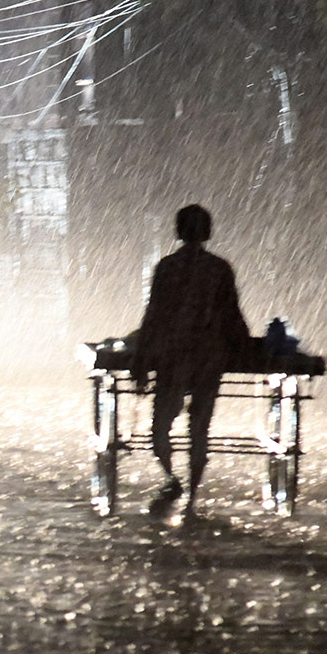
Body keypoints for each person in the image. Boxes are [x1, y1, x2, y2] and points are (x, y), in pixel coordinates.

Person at [130, 204, 250, 513]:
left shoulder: (166, 268)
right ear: (207, 231)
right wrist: (248, 348)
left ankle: (171, 479)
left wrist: (141, 361)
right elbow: (232, 315)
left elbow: (153, 316)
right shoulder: (220, 269)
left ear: (179, 231)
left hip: (173, 357)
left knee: (160, 427)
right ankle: (192, 500)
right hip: (209, 358)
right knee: (199, 429)